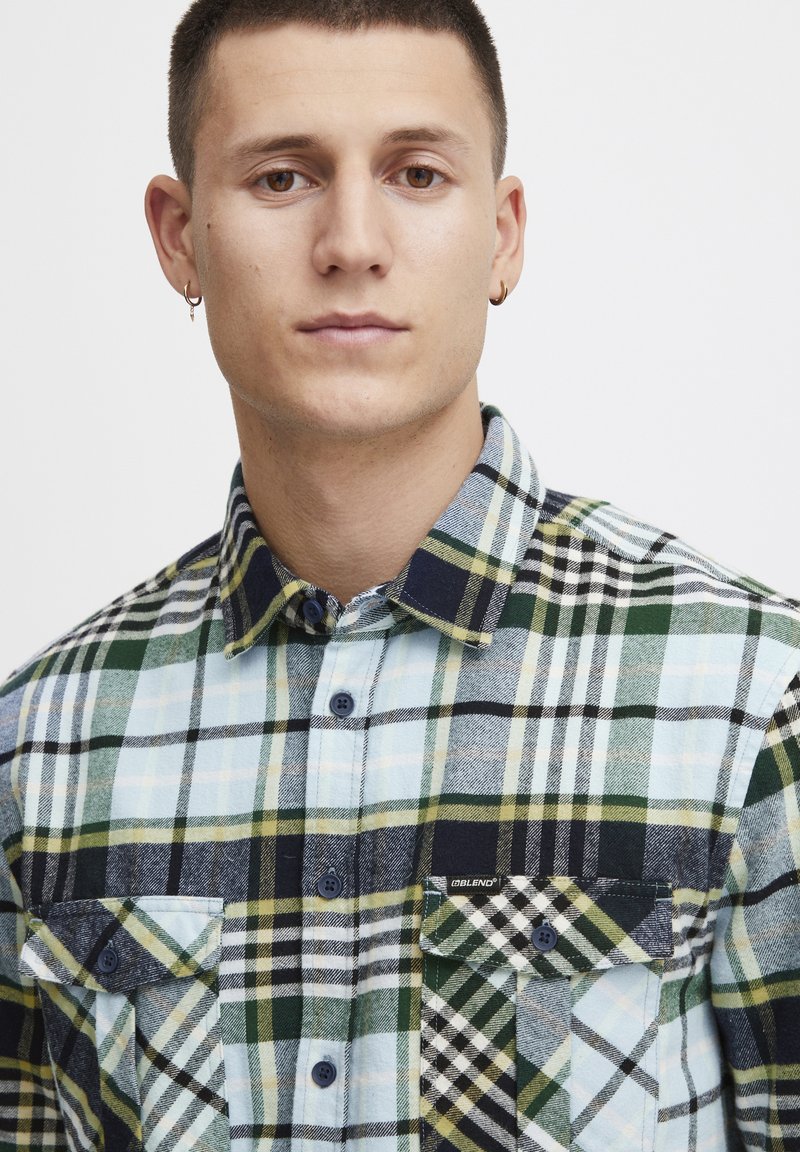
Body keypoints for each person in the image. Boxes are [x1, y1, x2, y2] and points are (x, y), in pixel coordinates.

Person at [1, 1, 798, 1149]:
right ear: (178, 237)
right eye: (282, 178)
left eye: (416, 174)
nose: (351, 243)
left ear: (502, 234)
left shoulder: (746, 697)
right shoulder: (37, 750)